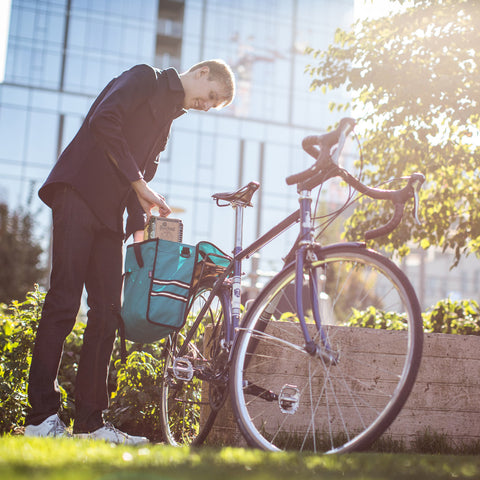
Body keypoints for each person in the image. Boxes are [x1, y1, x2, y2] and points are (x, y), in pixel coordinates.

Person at [23, 60, 236, 444]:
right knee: (63, 302)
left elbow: (137, 176)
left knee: (107, 313)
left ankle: (90, 424)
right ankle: (40, 419)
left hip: (109, 214)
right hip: (77, 192)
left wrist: (140, 226)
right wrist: (140, 186)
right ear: (202, 72)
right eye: (212, 97)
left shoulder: (168, 123)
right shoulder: (144, 78)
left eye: (215, 104)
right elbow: (103, 122)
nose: (208, 105)